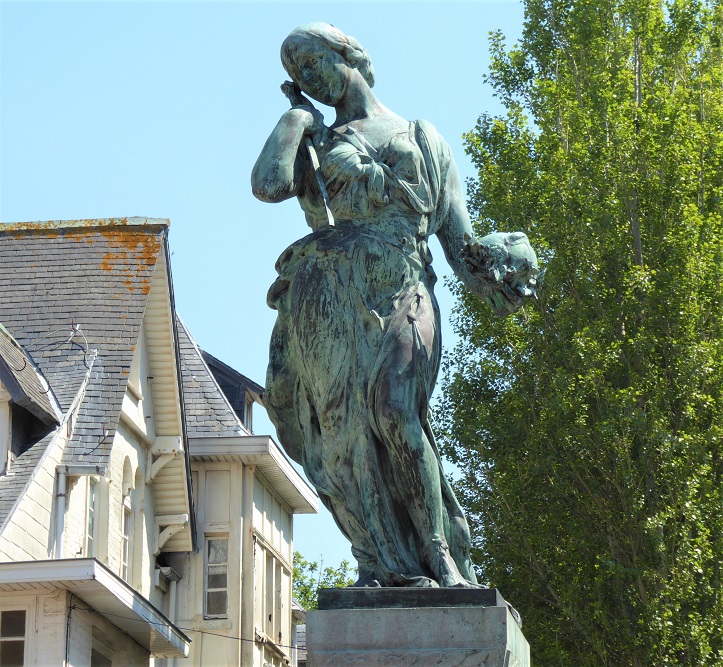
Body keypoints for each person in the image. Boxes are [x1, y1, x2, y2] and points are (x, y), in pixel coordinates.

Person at [252, 22, 538, 588]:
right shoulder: (314, 140)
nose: (309, 77)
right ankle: (378, 560)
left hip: (403, 280)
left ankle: (439, 554)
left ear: (349, 55)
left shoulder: (420, 136)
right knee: (340, 439)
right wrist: (294, 120)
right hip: (328, 300)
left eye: (314, 61)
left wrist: (498, 270)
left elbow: (457, 241)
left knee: (393, 410)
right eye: (299, 73)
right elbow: (267, 184)